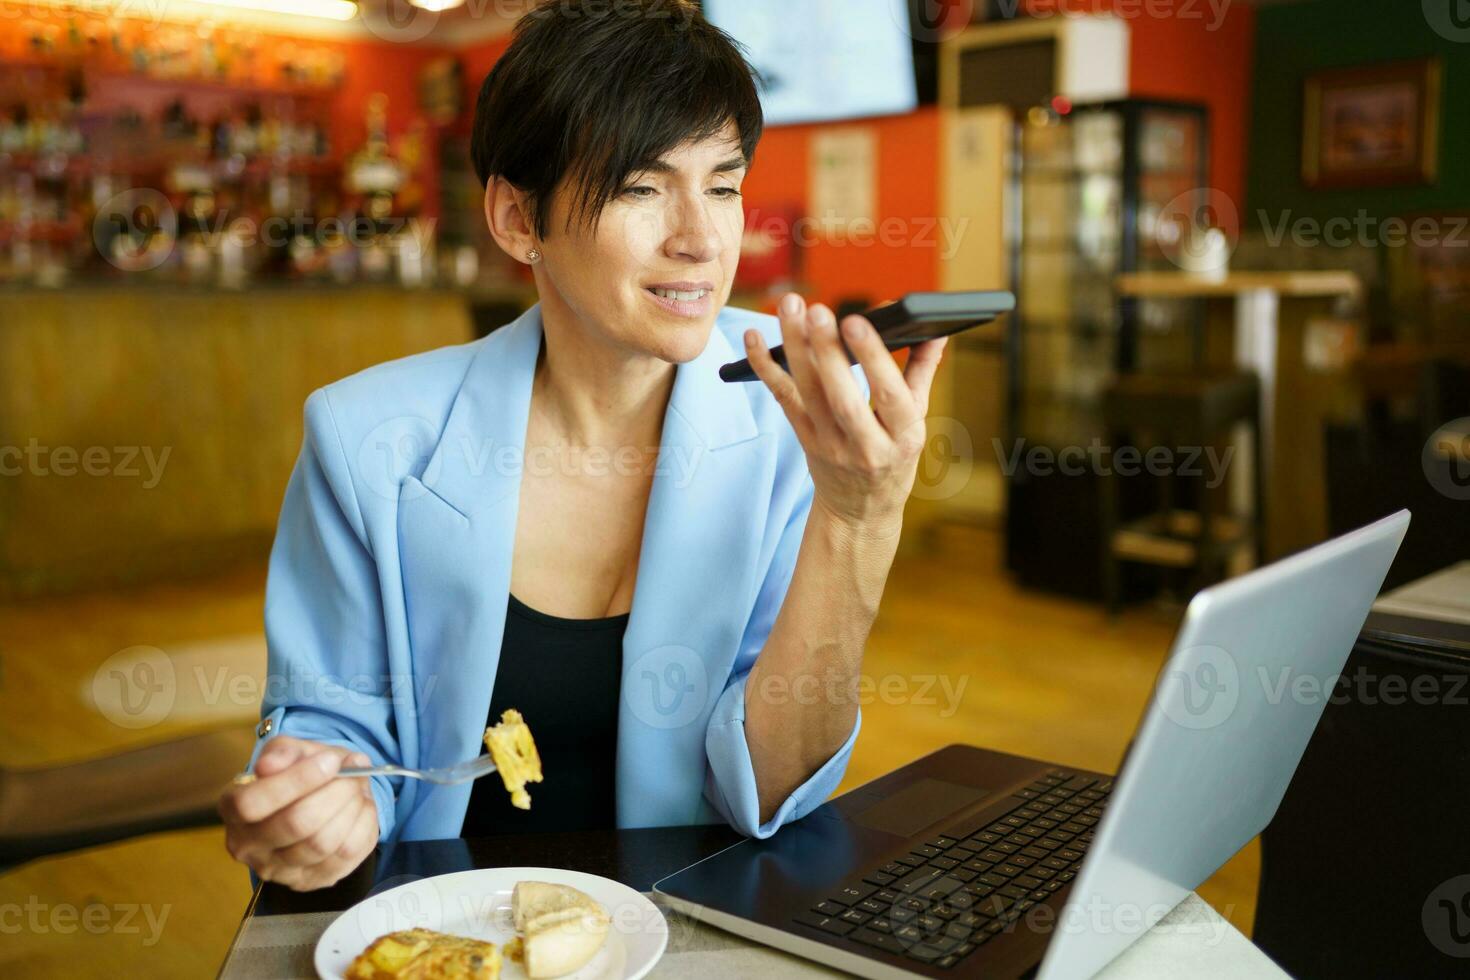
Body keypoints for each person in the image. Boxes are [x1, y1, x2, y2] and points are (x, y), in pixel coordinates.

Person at [218, 0, 947, 892]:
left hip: (693, 919)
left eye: (723, 184)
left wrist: (859, 520)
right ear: (519, 218)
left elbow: (773, 784)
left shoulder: (792, 416)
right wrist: (327, 799)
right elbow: (332, 720)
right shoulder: (369, 439)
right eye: (642, 187)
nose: (702, 239)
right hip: (445, 923)